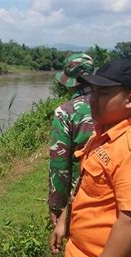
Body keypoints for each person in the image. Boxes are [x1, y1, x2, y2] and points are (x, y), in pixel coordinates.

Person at [50, 59, 131, 257]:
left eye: (103, 93)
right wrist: (64, 219)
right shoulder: (103, 134)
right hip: (79, 254)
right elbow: (85, 187)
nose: (92, 100)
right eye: (93, 91)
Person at [48, 53, 95, 226]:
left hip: (80, 193)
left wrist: (56, 204)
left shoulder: (65, 112)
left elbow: (59, 164)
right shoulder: (111, 103)